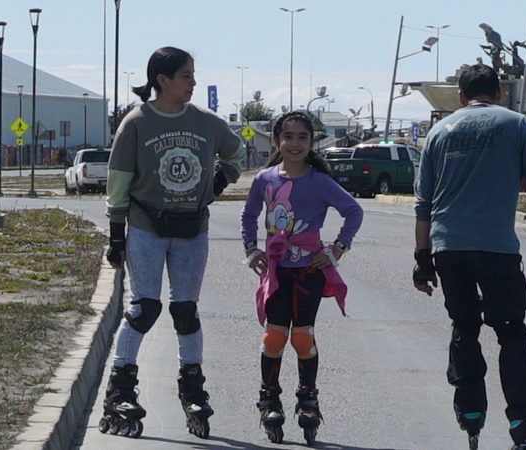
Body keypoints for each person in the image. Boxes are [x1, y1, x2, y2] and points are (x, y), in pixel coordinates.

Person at [412, 64, 526, 449]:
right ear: (500, 92)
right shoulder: (516, 125)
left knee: (464, 328)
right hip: (497, 249)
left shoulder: (438, 133)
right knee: (511, 331)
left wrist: (422, 256)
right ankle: (524, 422)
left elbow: (423, 205)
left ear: (461, 97)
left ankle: (470, 412)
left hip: (449, 249)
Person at [100, 46, 245, 439]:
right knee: (145, 307)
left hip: (192, 229)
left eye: (193, 75)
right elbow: (119, 183)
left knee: (185, 311)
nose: (193, 82)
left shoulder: (206, 122)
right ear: (162, 80)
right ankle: (120, 389)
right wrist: (117, 237)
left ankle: (192, 387)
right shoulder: (136, 122)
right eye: (185, 75)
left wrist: (217, 181)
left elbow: (238, 153)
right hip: (146, 225)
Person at [240, 111, 363, 445]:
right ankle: (270, 399)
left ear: (312, 142)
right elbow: (249, 214)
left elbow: (354, 211)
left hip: (309, 271)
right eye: (288, 136)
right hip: (277, 271)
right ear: (278, 139)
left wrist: (337, 249)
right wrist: (252, 249)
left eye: (303, 137)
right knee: (274, 338)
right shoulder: (265, 179)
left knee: (303, 338)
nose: (295, 144)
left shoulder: (319, 182)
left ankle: (307, 398)